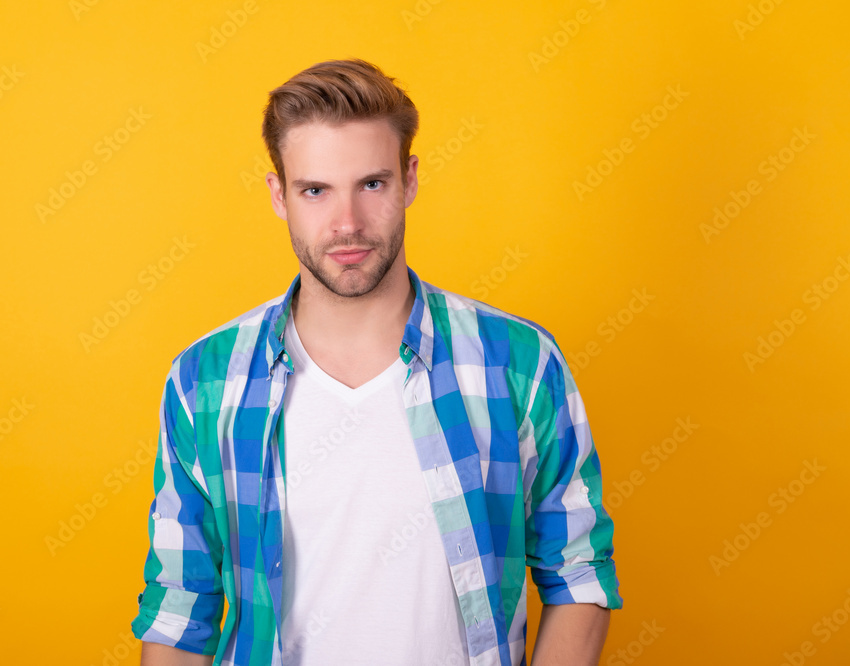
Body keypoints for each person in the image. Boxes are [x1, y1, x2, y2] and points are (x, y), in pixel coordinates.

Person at [132, 58, 622, 666]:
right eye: (315, 190)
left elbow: (578, 573)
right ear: (278, 195)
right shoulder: (205, 380)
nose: (347, 224)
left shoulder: (518, 363)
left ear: (409, 180)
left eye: (372, 184)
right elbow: (182, 606)